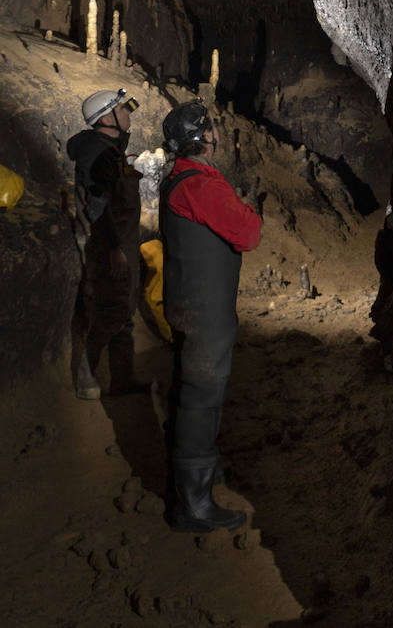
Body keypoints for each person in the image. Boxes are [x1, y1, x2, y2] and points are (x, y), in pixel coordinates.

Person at [160, 100, 261, 533]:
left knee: (192, 391)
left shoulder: (184, 179)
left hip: (192, 302)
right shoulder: (199, 185)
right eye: (212, 129)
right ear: (202, 137)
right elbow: (249, 232)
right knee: (201, 398)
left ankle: (197, 475)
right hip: (204, 309)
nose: (217, 134)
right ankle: (194, 504)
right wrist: (250, 212)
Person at [67, 88, 147, 399]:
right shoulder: (96, 152)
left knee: (124, 309)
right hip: (106, 244)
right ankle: (85, 376)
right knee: (112, 310)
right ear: (107, 118)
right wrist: (114, 246)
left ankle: (122, 379)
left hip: (121, 241)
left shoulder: (109, 150)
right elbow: (99, 204)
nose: (128, 114)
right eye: (123, 109)